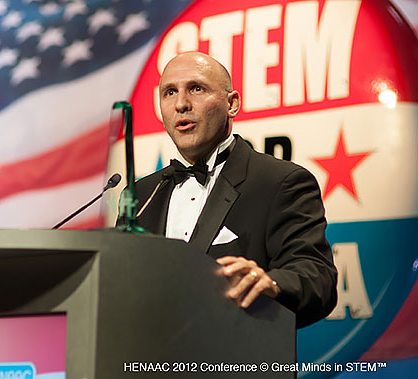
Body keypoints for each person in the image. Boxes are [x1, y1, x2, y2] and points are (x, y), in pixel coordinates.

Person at [131, 51, 337, 328]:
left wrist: (272, 283)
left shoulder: (281, 182)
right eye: (169, 92)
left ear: (232, 104)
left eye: (196, 88)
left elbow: (318, 277)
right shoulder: (143, 195)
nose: (181, 104)